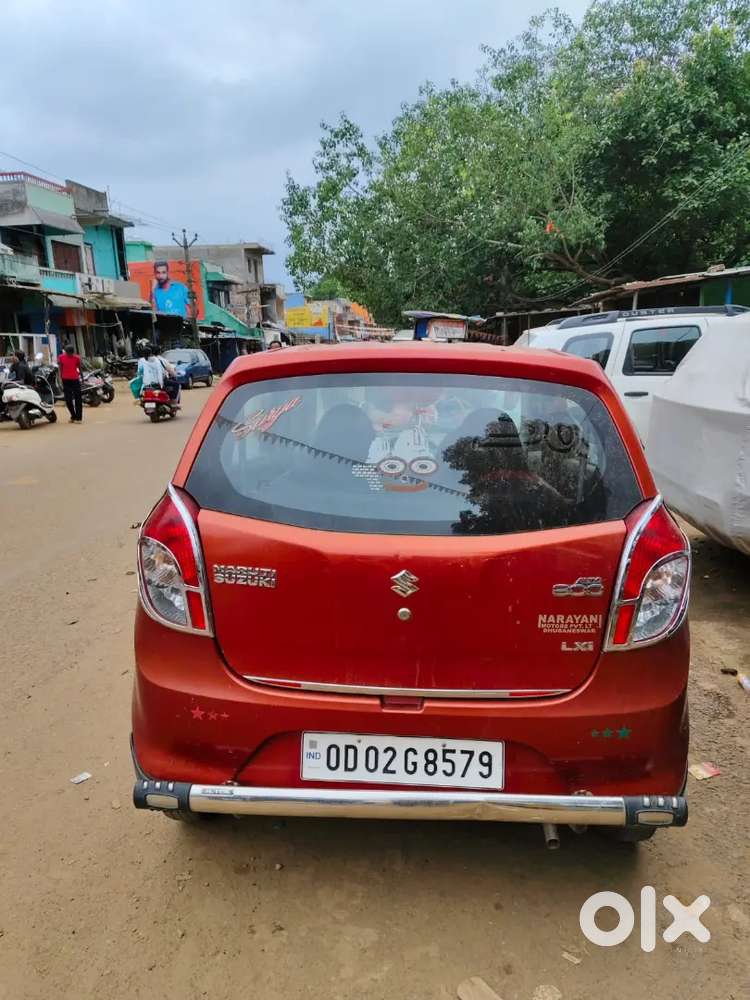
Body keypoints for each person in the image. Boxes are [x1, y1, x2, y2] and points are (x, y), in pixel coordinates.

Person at [58, 344, 83, 423]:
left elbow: (80, 368)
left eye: (71, 353)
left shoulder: (77, 358)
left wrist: (82, 377)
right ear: (66, 352)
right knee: (68, 400)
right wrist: (60, 378)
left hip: (75, 380)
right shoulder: (61, 357)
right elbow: (60, 368)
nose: (69, 354)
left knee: (78, 399)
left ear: (73, 352)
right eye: (68, 352)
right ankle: (73, 415)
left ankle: (79, 418)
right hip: (65, 380)